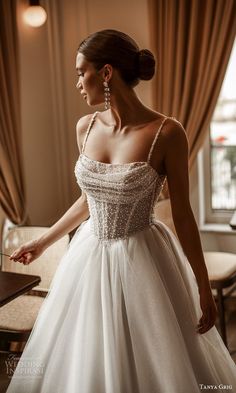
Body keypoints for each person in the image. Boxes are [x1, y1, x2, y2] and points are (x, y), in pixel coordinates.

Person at [6, 29, 236, 393]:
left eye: (82, 72)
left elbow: (184, 215)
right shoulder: (86, 127)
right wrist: (45, 242)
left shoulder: (167, 132)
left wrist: (202, 285)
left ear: (107, 72)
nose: (78, 83)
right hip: (88, 258)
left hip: (145, 259)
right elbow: (89, 199)